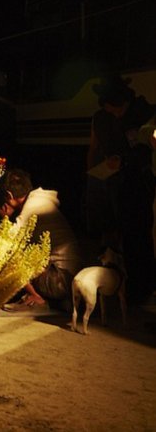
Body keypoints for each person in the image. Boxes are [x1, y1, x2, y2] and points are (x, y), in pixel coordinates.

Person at [90, 75, 155, 304]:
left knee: (141, 236)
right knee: (129, 235)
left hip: (142, 185)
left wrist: (124, 162)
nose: (113, 115)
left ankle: (144, 287)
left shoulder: (143, 115)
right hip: (122, 184)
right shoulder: (109, 118)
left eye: (114, 110)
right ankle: (135, 286)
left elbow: (145, 151)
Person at [0, 168, 83, 311]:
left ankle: (38, 298)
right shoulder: (38, 200)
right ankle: (58, 301)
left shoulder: (33, 206)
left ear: (8, 195)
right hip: (70, 277)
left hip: (60, 280)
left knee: (7, 256)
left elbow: (6, 243)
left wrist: (4, 218)